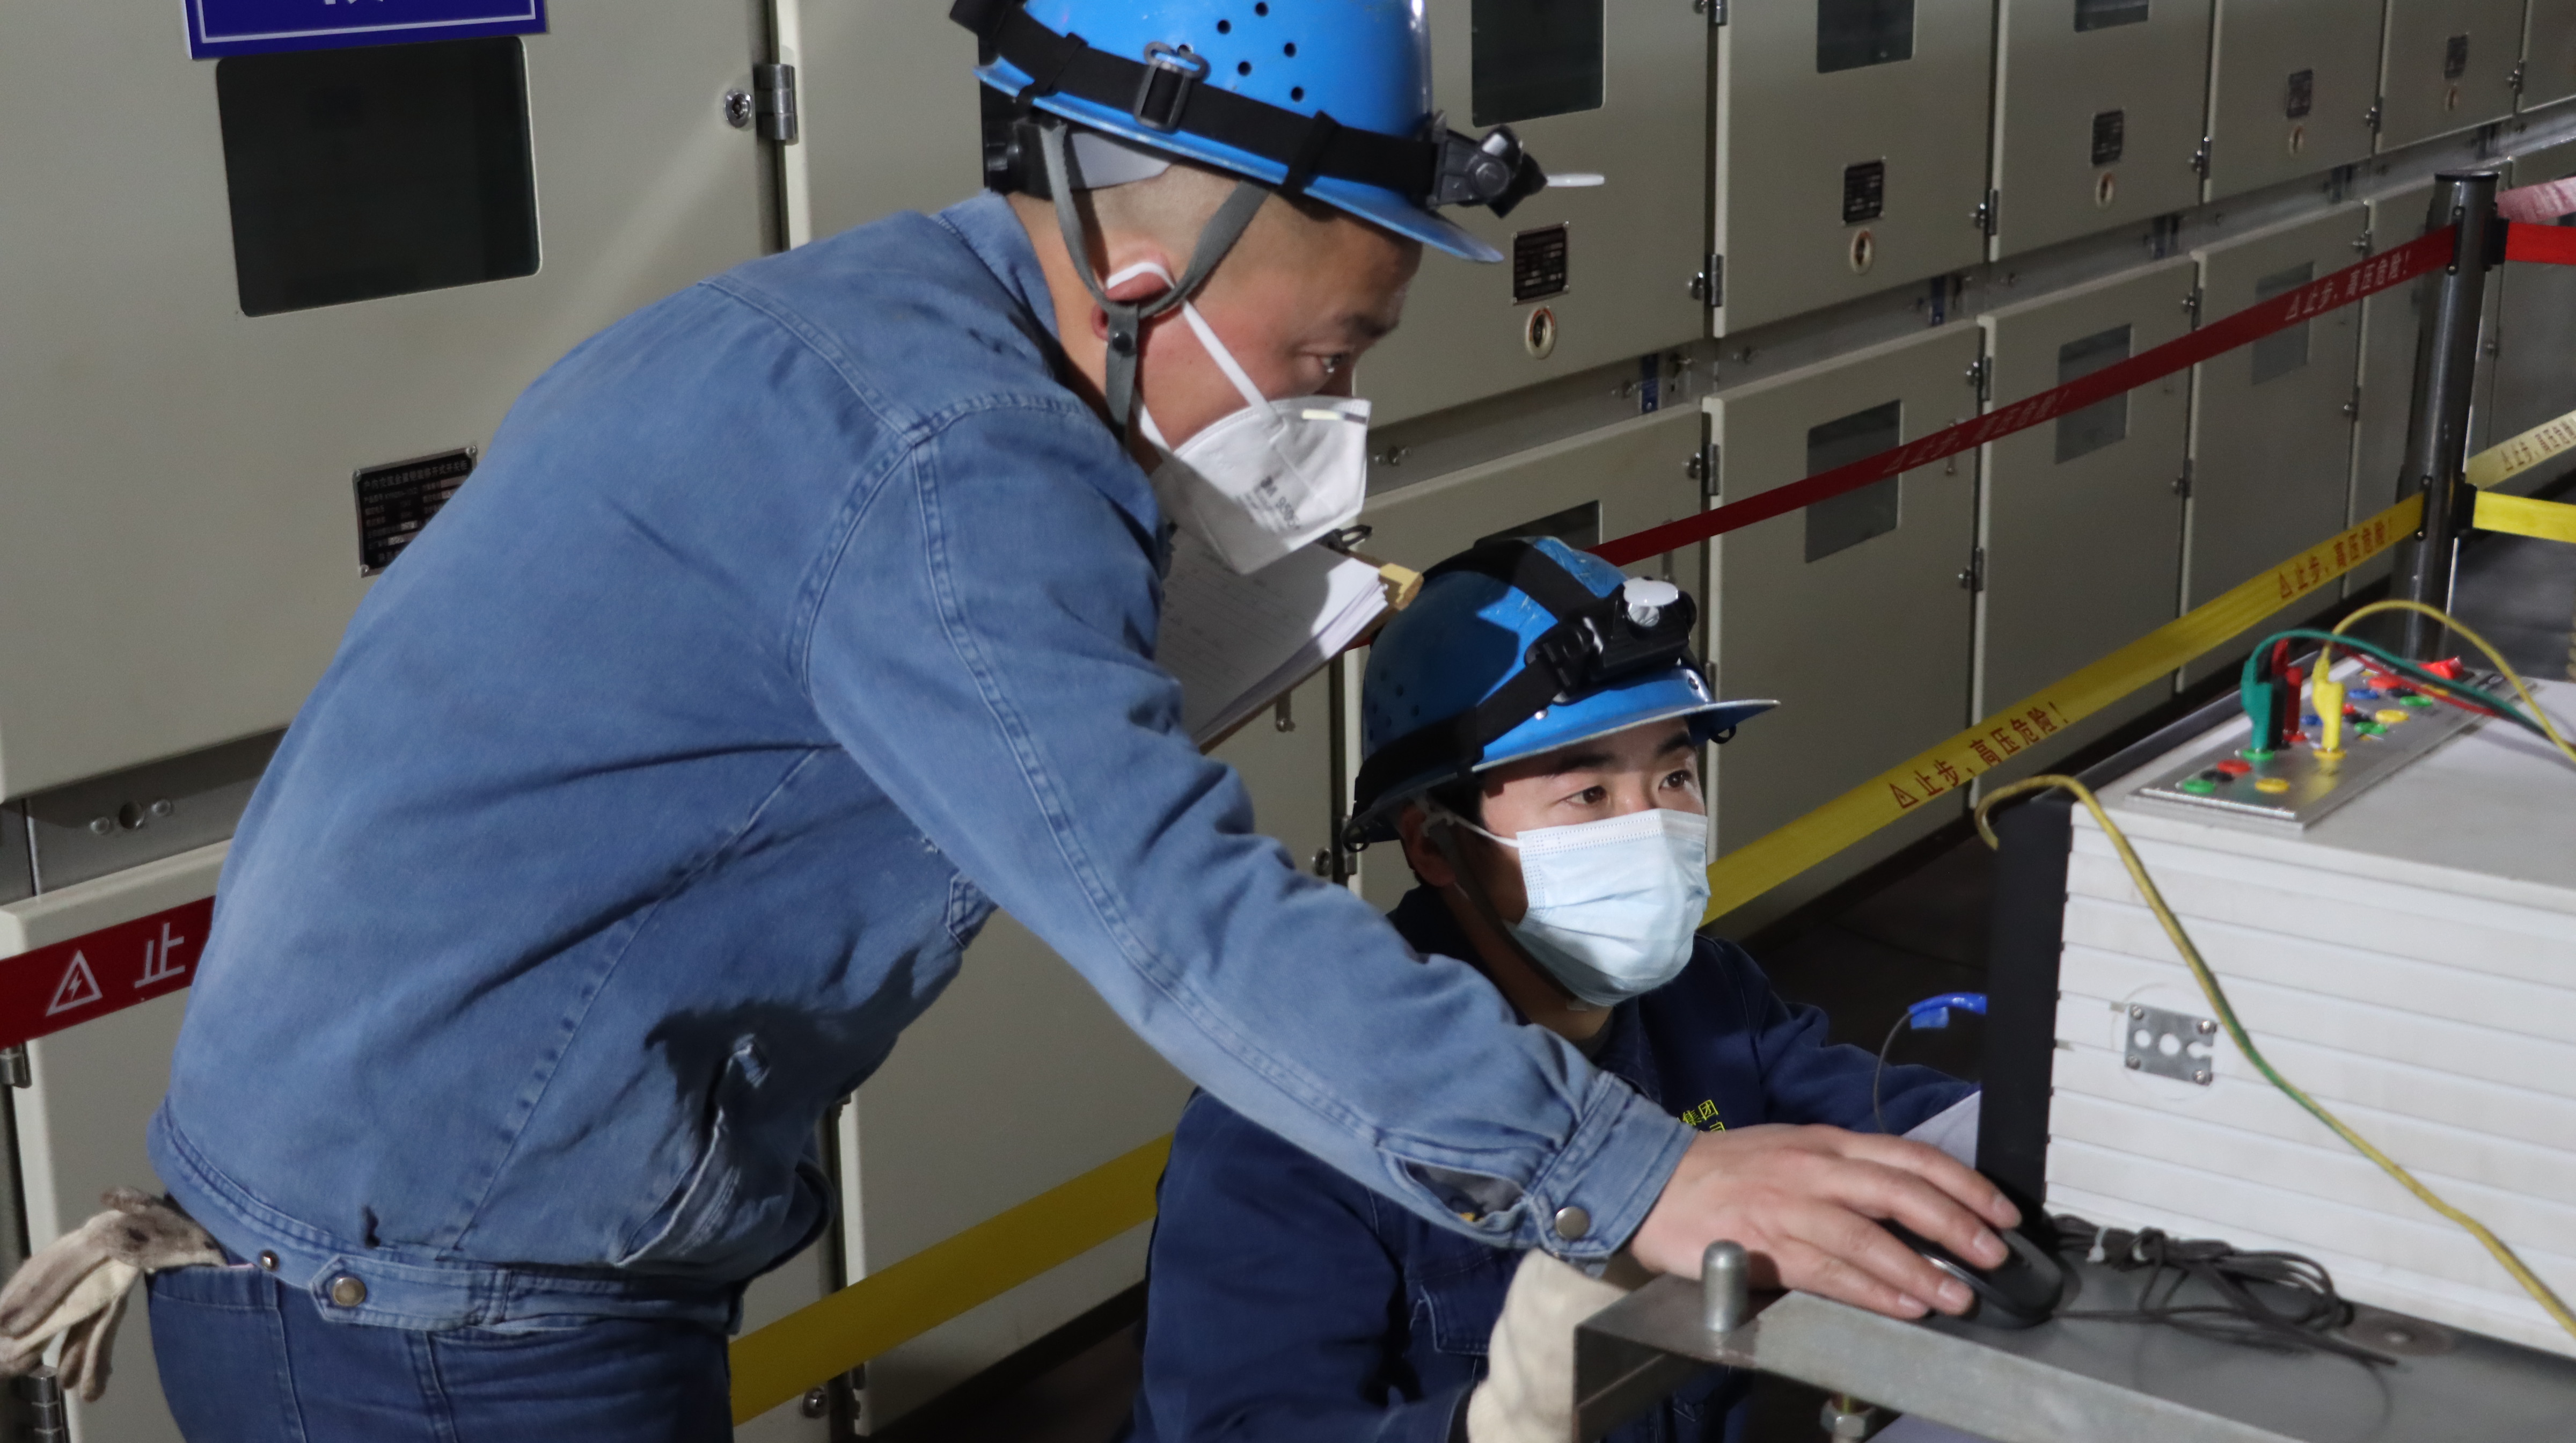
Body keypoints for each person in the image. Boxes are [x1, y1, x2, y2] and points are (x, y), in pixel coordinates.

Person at [104, 0, 2014, 1435]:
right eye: (1324, 354)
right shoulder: (958, 453)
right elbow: (1182, 921)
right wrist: (1642, 1173)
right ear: (1143, 271)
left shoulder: (858, 327)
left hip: (395, 1239)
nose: (1334, 410)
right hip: (430, 1311)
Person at [1124, 539, 1982, 1443]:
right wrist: (1493, 1428)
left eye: (1675, 775)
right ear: (1432, 843)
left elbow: (1896, 1124)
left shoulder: (1707, 993)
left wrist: (2042, 1131)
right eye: (1588, 795)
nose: (1652, 828)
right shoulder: (1285, 1120)